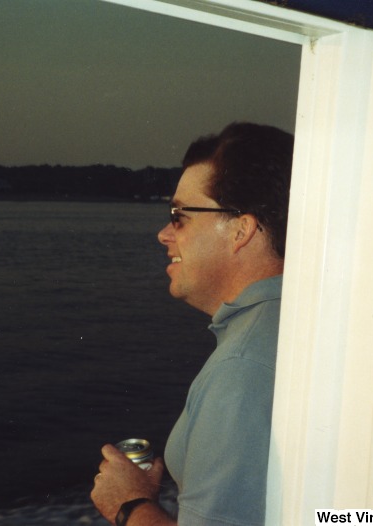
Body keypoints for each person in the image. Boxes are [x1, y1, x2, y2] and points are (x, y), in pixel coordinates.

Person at [91, 122, 294, 526]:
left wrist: (128, 504)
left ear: (241, 230)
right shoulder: (294, 320)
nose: (164, 233)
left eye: (179, 216)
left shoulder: (242, 366)